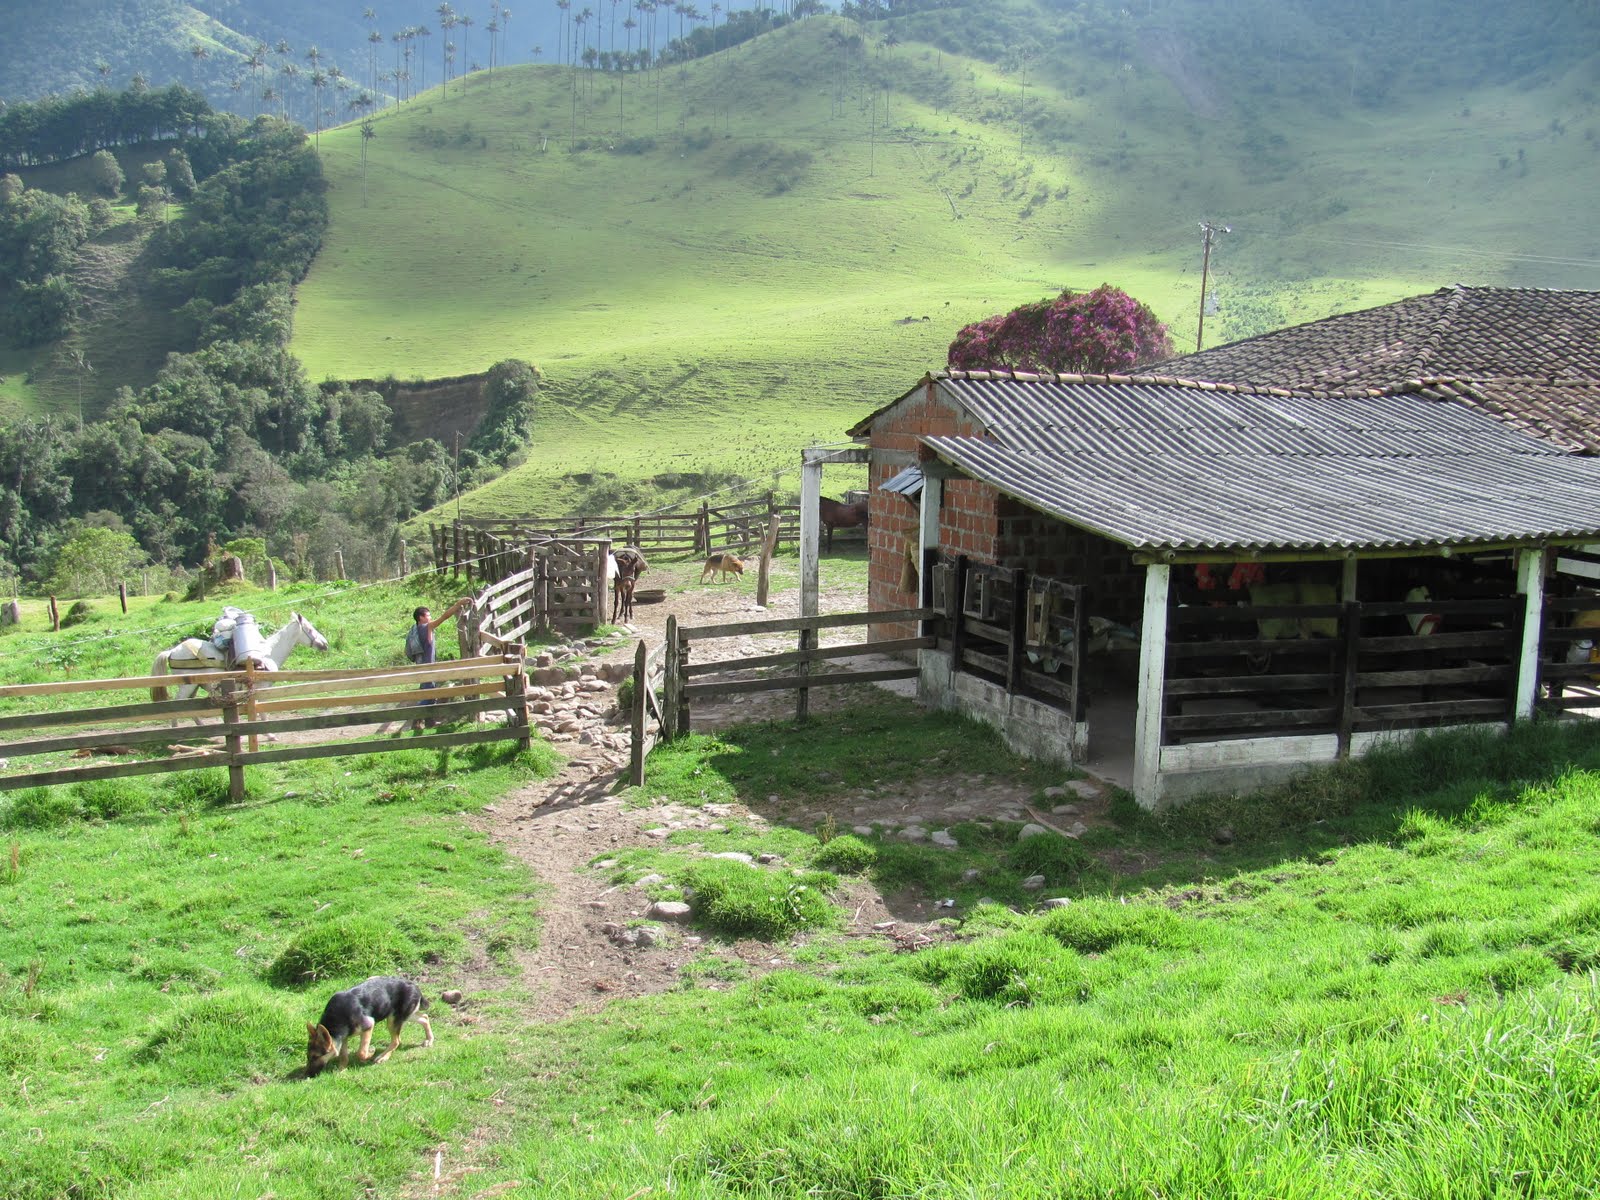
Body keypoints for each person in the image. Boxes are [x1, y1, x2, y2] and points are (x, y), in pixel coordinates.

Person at [407, 598, 470, 730]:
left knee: (430, 693)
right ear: (421, 617)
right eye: (428, 615)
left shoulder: (414, 630)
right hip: (428, 668)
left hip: (421, 666)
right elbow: (444, 617)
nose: (430, 618)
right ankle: (416, 720)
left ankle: (429, 721)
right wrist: (457, 605)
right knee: (428, 694)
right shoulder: (427, 627)